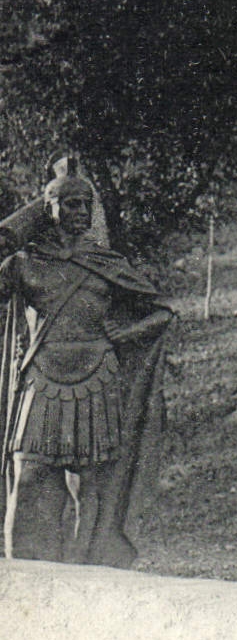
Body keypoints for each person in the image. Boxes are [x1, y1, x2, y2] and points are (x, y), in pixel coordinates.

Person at [1, 160, 173, 565]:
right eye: (70, 204)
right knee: (29, 472)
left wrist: (122, 336)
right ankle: (27, 571)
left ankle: (89, 567)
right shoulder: (25, 263)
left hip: (98, 378)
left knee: (93, 483)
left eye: (86, 205)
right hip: (41, 378)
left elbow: (161, 312)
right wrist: (19, 225)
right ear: (49, 208)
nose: (80, 213)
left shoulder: (105, 262)